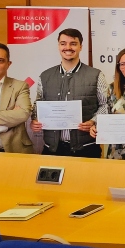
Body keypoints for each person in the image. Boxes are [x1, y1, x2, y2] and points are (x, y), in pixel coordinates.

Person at [31, 28, 108, 158]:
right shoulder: (45, 76)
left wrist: (93, 121)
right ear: (58, 46)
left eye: (73, 43)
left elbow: (105, 105)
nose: (68, 47)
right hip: (52, 149)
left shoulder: (96, 75)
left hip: (86, 148)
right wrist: (35, 119)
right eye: (63, 43)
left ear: (80, 46)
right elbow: (38, 103)